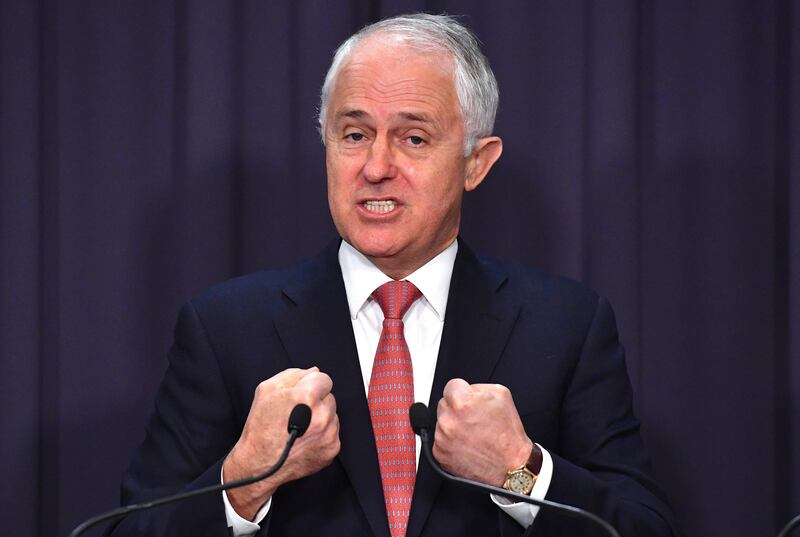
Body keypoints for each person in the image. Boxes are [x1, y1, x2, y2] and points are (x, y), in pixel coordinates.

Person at [110, 13, 678, 537]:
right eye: (355, 135)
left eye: (413, 139)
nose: (376, 168)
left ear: (476, 163)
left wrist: (518, 472)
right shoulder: (226, 329)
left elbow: (645, 530)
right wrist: (246, 479)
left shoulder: (565, 327)